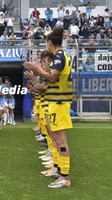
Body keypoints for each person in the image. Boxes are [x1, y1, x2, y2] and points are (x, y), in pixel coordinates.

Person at [23, 27, 72, 188]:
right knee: (56, 138)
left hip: (58, 102)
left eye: (46, 42)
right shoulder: (61, 56)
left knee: (59, 139)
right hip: (55, 102)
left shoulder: (59, 57)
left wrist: (36, 70)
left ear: (50, 43)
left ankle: (64, 176)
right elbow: (49, 82)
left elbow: (52, 78)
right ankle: (59, 171)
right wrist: (35, 76)